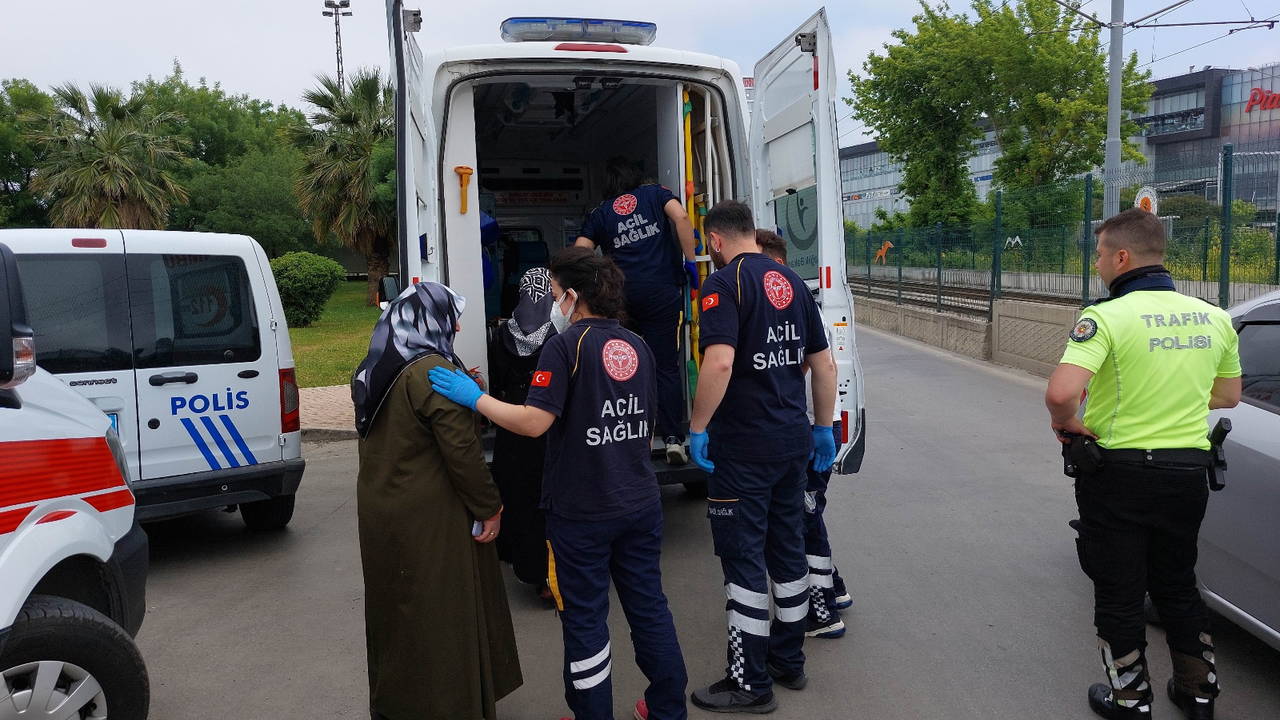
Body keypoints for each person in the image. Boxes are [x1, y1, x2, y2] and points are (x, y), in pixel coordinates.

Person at [430, 247, 688, 720]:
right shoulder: (638, 345)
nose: (552, 302)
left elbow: (533, 423)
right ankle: (668, 708)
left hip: (582, 511)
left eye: (554, 293)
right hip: (640, 500)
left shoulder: (566, 346)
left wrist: (477, 399)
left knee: (585, 619)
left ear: (573, 296)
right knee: (649, 608)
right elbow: (643, 422)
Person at [1044, 208, 1241, 720]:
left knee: (1120, 590)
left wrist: (1067, 424)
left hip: (1119, 475)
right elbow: (1228, 395)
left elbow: (1061, 393)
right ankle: (1199, 694)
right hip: (1187, 474)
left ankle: (1130, 700)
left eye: (1100, 254)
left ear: (1122, 257)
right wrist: (1175, 400)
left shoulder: (1106, 317)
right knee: (1177, 582)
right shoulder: (1214, 316)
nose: (1097, 264)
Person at [686, 201, 838, 713]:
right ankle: (787, 661)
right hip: (792, 442)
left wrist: (697, 427)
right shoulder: (791, 281)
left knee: (743, 561)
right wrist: (822, 428)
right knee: (788, 552)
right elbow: (824, 365)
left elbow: (720, 362)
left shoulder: (723, 284)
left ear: (715, 241)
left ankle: (749, 682)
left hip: (743, 449)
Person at [352, 282, 522, 720]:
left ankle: (395, 702)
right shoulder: (433, 372)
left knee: (395, 611)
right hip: (431, 515)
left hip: (382, 509)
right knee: (442, 613)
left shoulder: (378, 364)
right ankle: (447, 705)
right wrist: (490, 507)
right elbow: (462, 453)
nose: (458, 326)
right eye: (452, 317)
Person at [756, 229, 852, 638]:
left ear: (776, 263)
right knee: (807, 515)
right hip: (812, 425)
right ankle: (834, 589)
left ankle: (823, 613)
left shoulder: (795, 306)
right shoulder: (797, 303)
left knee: (802, 519)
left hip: (812, 427)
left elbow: (809, 368)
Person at [575, 156, 698, 466]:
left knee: (623, 368)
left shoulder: (601, 213)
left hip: (621, 298)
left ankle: (627, 438)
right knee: (665, 367)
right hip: (661, 292)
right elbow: (682, 217)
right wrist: (690, 260)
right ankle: (673, 439)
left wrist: (596, 283)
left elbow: (580, 251)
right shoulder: (655, 194)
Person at [489, 267, 556, 601]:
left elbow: (497, 380)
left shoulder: (503, 332)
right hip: (544, 426)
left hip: (509, 425)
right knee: (543, 498)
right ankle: (547, 577)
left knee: (514, 493)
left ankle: (516, 558)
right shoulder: (555, 335)